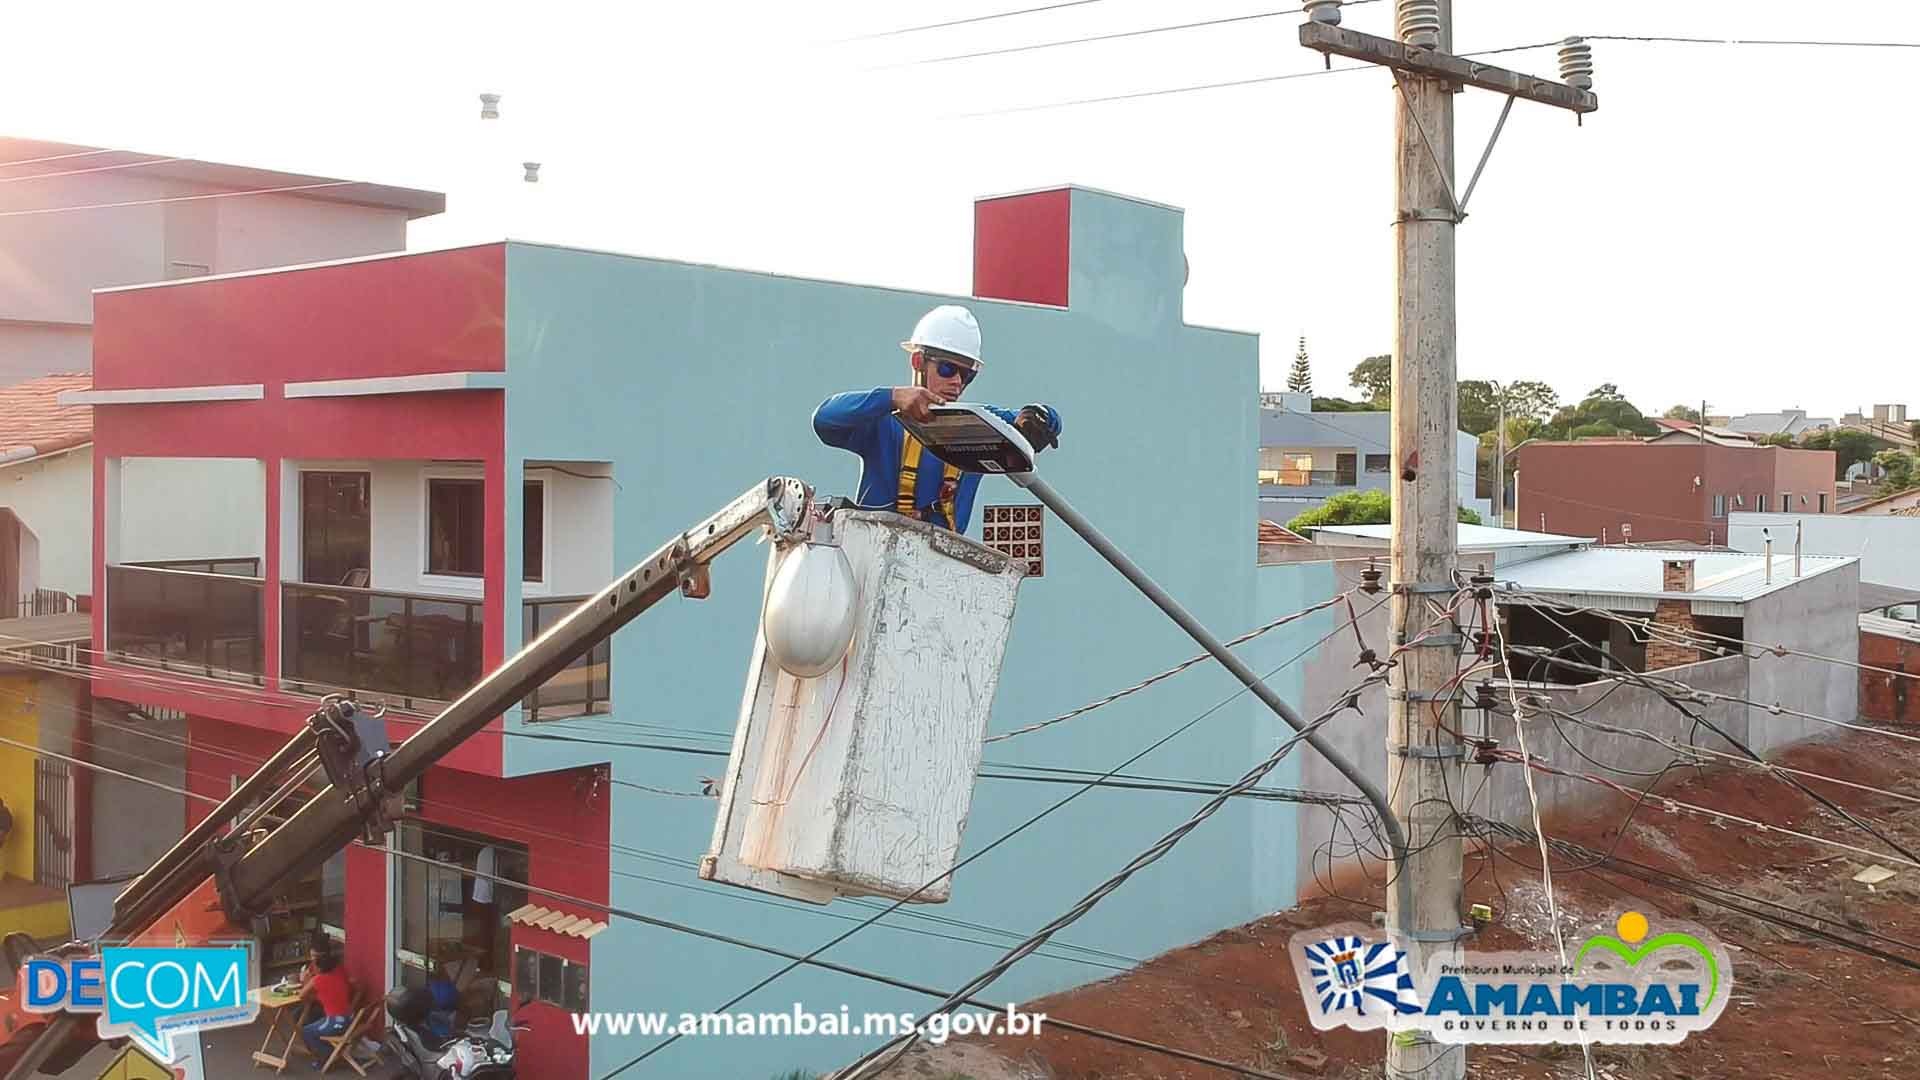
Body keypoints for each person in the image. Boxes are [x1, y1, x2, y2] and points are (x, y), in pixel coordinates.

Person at [813, 305, 1062, 534]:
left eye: (967, 375)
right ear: (918, 361)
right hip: (872, 552)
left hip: (941, 565)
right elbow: (825, 419)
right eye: (947, 369)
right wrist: (891, 397)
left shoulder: (979, 424)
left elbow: (1033, 420)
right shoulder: (883, 421)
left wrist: (1039, 420)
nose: (957, 382)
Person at [299, 944, 355, 1068]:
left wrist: (306, 979)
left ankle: (327, 1056)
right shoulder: (338, 976)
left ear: (319, 968)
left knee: (306, 1032)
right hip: (351, 1018)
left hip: (337, 1022)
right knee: (314, 1022)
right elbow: (330, 995)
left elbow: (301, 995)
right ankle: (333, 1052)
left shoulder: (317, 980)